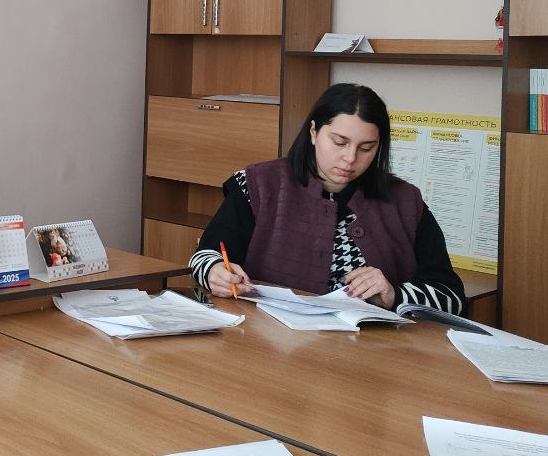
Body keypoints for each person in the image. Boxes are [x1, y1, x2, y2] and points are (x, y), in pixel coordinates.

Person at [191, 83, 465, 313]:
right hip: (268, 342)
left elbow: (451, 297)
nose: (350, 158)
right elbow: (205, 256)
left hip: (371, 350)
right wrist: (214, 271)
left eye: (366, 148)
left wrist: (394, 295)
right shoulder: (258, 185)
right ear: (314, 132)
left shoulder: (405, 201)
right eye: (339, 142)